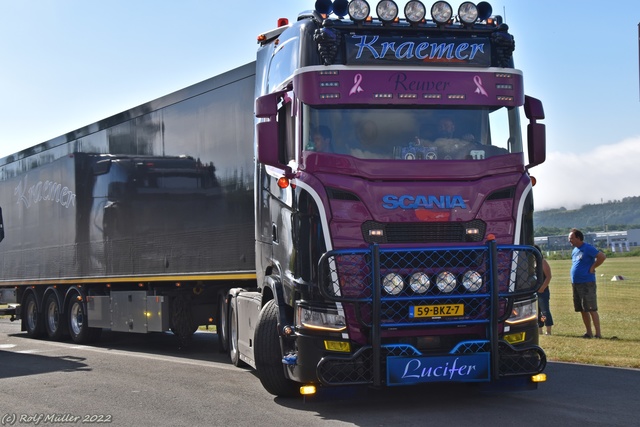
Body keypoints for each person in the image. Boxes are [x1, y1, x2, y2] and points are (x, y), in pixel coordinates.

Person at [568, 228, 607, 339]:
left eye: (571, 238)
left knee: (591, 308)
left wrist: (592, 267)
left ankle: (598, 334)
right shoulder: (575, 250)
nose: (569, 241)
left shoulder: (587, 248)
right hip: (576, 283)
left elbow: (602, 257)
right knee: (582, 309)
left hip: (587, 282)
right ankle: (588, 332)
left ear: (578, 238)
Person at [534, 245, 553, 335]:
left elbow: (548, 276)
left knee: (544, 311)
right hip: (534, 291)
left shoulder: (543, 262)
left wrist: (542, 288)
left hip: (542, 291)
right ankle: (539, 329)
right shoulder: (532, 263)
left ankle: (548, 330)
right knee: (537, 312)